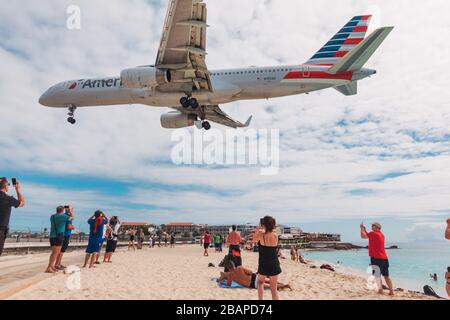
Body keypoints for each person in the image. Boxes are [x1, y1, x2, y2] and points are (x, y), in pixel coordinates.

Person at [360, 222, 394, 296]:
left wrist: (362, 229)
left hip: (377, 258)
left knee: (377, 275)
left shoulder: (373, 234)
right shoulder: (381, 235)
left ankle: (380, 290)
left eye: (373, 226)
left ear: (378, 227)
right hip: (384, 258)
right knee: (386, 276)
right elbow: (368, 236)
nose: (372, 226)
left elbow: (363, 236)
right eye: (372, 225)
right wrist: (365, 230)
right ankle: (391, 291)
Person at [253, 216, 282, 300]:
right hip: (274, 263)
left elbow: (254, 239)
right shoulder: (275, 235)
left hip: (264, 263)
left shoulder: (261, 235)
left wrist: (258, 228)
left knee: (260, 283)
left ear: (264, 224)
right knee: (273, 288)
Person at [218, 259, 291, 291]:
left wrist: (222, 282)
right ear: (233, 264)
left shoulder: (230, 276)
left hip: (253, 284)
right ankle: (282, 284)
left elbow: (229, 285)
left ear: (228, 268)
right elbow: (250, 272)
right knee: (271, 281)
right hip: (254, 277)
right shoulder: (240, 268)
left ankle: (285, 286)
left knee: (271, 286)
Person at [0, 177, 25, 256]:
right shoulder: (8, 199)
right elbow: (22, 203)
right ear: (5, 186)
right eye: (8, 184)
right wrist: (17, 189)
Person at [45, 206, 73, 273]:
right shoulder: (63, 216)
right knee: (56, 253)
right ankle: (49, 267)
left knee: (53, 253)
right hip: (59, 235)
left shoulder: (52, 216)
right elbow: (72, 217)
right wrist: (70, 211)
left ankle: (51, 266)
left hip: (52, 235)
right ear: (63, 210)